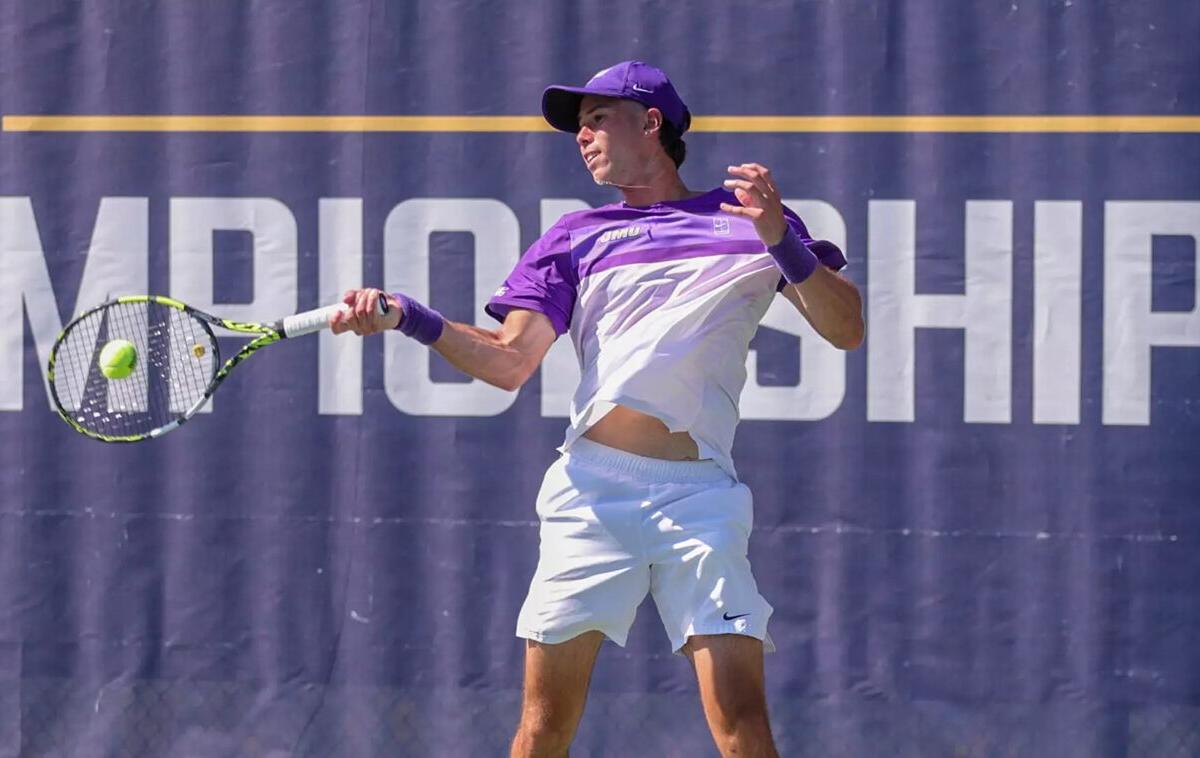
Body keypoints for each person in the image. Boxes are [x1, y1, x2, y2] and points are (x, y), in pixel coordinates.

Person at [332, 60, 864, 758]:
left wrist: (781, 241)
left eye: (595, 120)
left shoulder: (752, 224)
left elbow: (846, 328)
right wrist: (409, 316)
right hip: (591, 494)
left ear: (651, 124)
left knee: (742, 724)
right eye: (577, 128)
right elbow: (507, 361)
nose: (581, 138)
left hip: (700, 498)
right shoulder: (576, 237)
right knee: (544, 728)